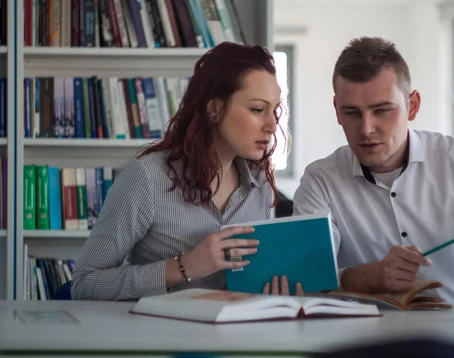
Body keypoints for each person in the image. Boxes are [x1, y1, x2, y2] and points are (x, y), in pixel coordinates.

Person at [292, 36, 454, 302]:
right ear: (337, 111)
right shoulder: (320, 179)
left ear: (412, 106)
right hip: (364, 333)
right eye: (352, 113)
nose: (366, 129)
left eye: (382, 110)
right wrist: (371, 277)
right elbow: (307, 275)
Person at [71, 42, 302, 300]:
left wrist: (271, 287)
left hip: (237, 336)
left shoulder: (259, 185)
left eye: (275, 111)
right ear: (214, 109)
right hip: (164, 337)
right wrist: (185, 266)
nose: (272, 125)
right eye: (257, 110)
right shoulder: (147, 178)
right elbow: (84, 285)